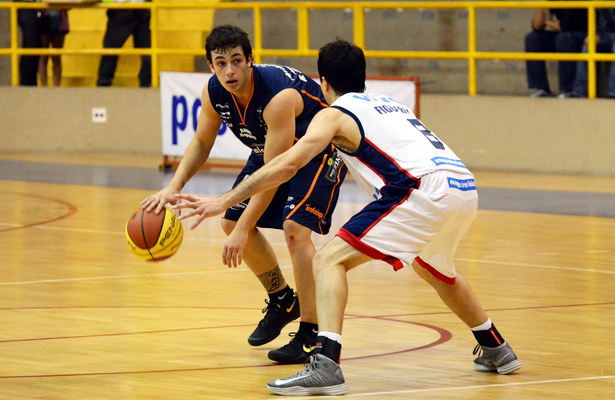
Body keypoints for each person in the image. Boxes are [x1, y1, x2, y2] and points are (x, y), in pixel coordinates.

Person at [172, 39, 522, 396]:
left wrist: (225, 200)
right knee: (435, 269)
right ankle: (496, 346)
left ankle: (326, 364)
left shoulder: (333, 114)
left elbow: (287, 165)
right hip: (463, 186)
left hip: (418, 190)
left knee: (328, 260)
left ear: (323, 82)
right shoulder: (390, 104)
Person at [141, 25, 347, 365]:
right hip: (271, 152)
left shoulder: (277, 97)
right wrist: (174, 186)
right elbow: (202, 142)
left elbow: (277, 172)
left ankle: (311, 333)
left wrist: (243, 228)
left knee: (295, 230)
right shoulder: (214, 92)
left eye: (236, 61)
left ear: (250, 60)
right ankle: (283, 299)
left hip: (317, 153)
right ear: (210, 66)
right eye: (221, 63)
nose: (230, 71)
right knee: (230, 221)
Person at [525, 4, 587, 98]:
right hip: (565, 34)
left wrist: (547, 22)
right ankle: (541, 88)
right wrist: (542, 6)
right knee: (533, 38)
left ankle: (567, 89)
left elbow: (564, 26)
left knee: (563, 39)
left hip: (585, 35)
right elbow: (537, 26)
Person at [97, 0, 152, 87]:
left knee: (148, 53)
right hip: (121, 10)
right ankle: (103, 83)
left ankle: (147, 84)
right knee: (111, 51)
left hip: (141, 9)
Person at [571, 8, 615, 98]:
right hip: (607, 35)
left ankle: (612, 93)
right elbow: (601, 23)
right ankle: (579, 92)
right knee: (589, 44)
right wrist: (595, 35)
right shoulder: (603, 2)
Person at [38, 8, 69, 87]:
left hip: (59, 20)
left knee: (56, 56)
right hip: (44, 19)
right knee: (43, 56)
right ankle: (43, 86)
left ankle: (56, 86)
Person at [16, 0, 43, 86]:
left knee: (36, 45)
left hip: (35, 7)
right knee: (30, 43)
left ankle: (31, 82)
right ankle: (26, 82)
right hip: (25, 6)